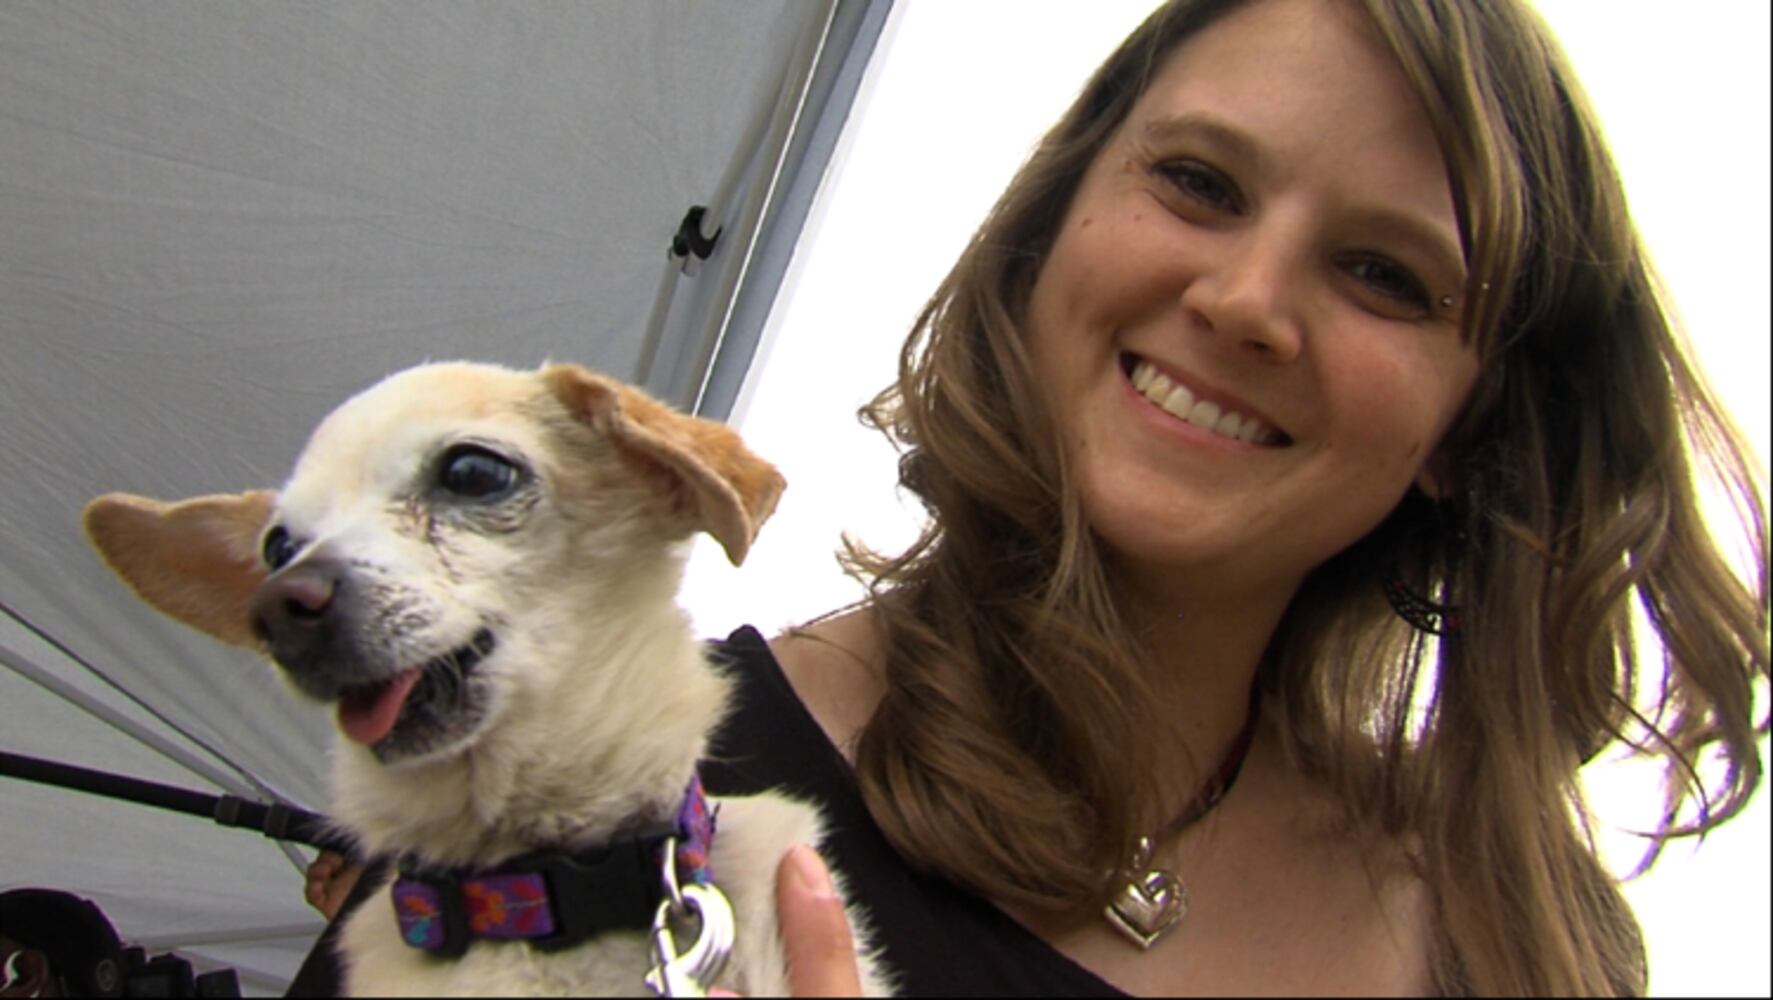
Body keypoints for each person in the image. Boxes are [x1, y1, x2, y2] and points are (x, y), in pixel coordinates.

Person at [292, 0, 1768, 995]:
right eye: (1199, 183)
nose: (1246, 301)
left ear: (1471, 425)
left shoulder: (1517, 934)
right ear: (1049, 227)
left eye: (1384, 274)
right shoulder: (560, 824)